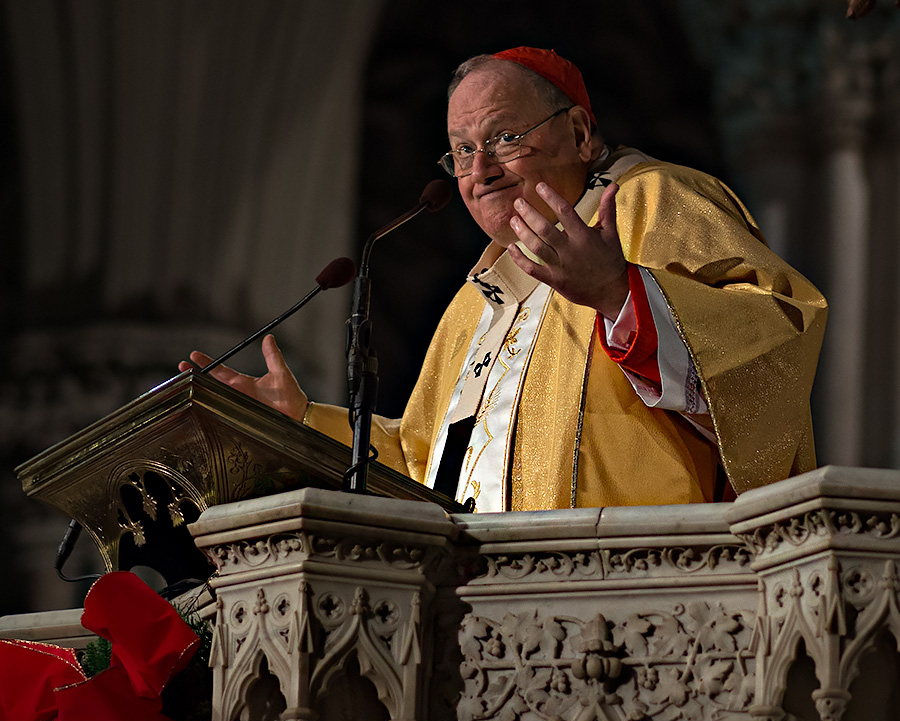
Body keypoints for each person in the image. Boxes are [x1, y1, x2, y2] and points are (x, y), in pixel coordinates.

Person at [181, 47, 827, 513]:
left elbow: (777, 341)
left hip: (629, 597)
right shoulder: (473, 301)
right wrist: (301, 422)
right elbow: (424, 463)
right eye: (461, 150)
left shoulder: (652, 201)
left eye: (505, 137)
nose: (479, 170)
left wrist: (617, 294)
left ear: (578, 134)